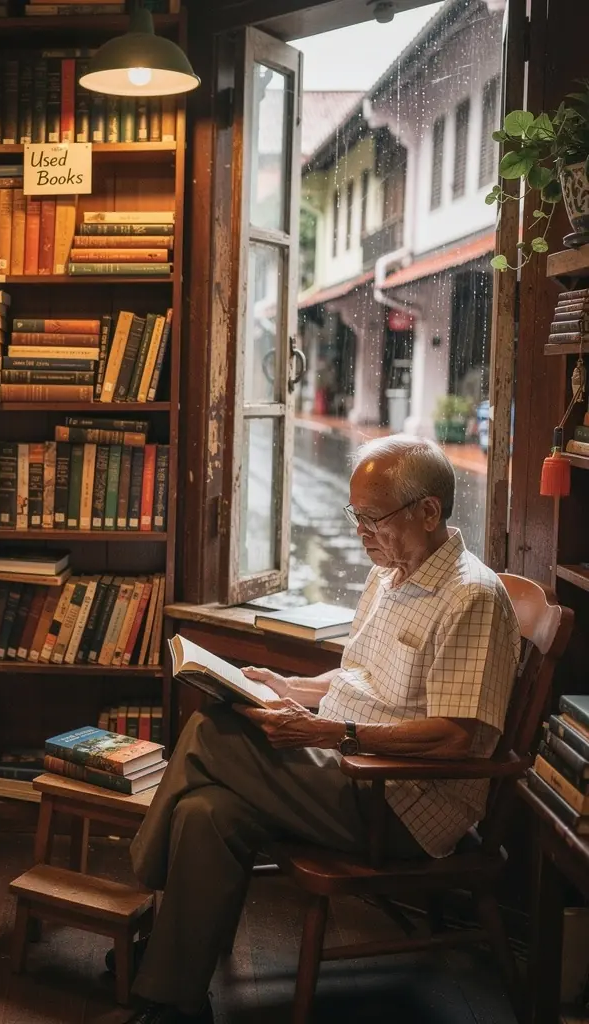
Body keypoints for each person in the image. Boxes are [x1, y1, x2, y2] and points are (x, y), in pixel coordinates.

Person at [120, 434, 521, 1023]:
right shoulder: (390, 575)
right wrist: (288, 687)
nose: (361, 532)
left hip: (400, 803)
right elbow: (359, 678)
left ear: (429, 512)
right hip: (347, 770)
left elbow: (458, 739)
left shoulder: (472, 598)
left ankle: (137, 878)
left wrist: (326, 734)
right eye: (354, 515)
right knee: (207, 812)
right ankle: (174, 999)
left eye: (373, 518)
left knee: (210, 730)